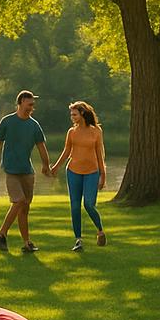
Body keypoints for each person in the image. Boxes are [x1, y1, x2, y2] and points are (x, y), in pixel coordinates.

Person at [0, 90, 51, 253]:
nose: (31, 107)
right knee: (19, 201)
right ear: (20, 103)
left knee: (25, 208)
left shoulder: (34, 125)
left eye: (33, 105)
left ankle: (26, 243)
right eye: (29, 104)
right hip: (11, 170)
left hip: (27, 171)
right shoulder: (7, 122)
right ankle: (1, 234)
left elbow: (41, 146)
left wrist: (46, 165)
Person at [50, 101, 107, 251]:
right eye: (71, 114)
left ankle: (100, 230)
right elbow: (66, 152)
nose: (72, 117)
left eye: (74, 114)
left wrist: (103, 175)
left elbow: (100, 155)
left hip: (92, 172)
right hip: (73, 171)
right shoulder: (71, 132)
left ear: (82, 114)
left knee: (89, 204)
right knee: (75, 206)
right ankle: (78, 240)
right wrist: (55, 167)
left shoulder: (96, 131)